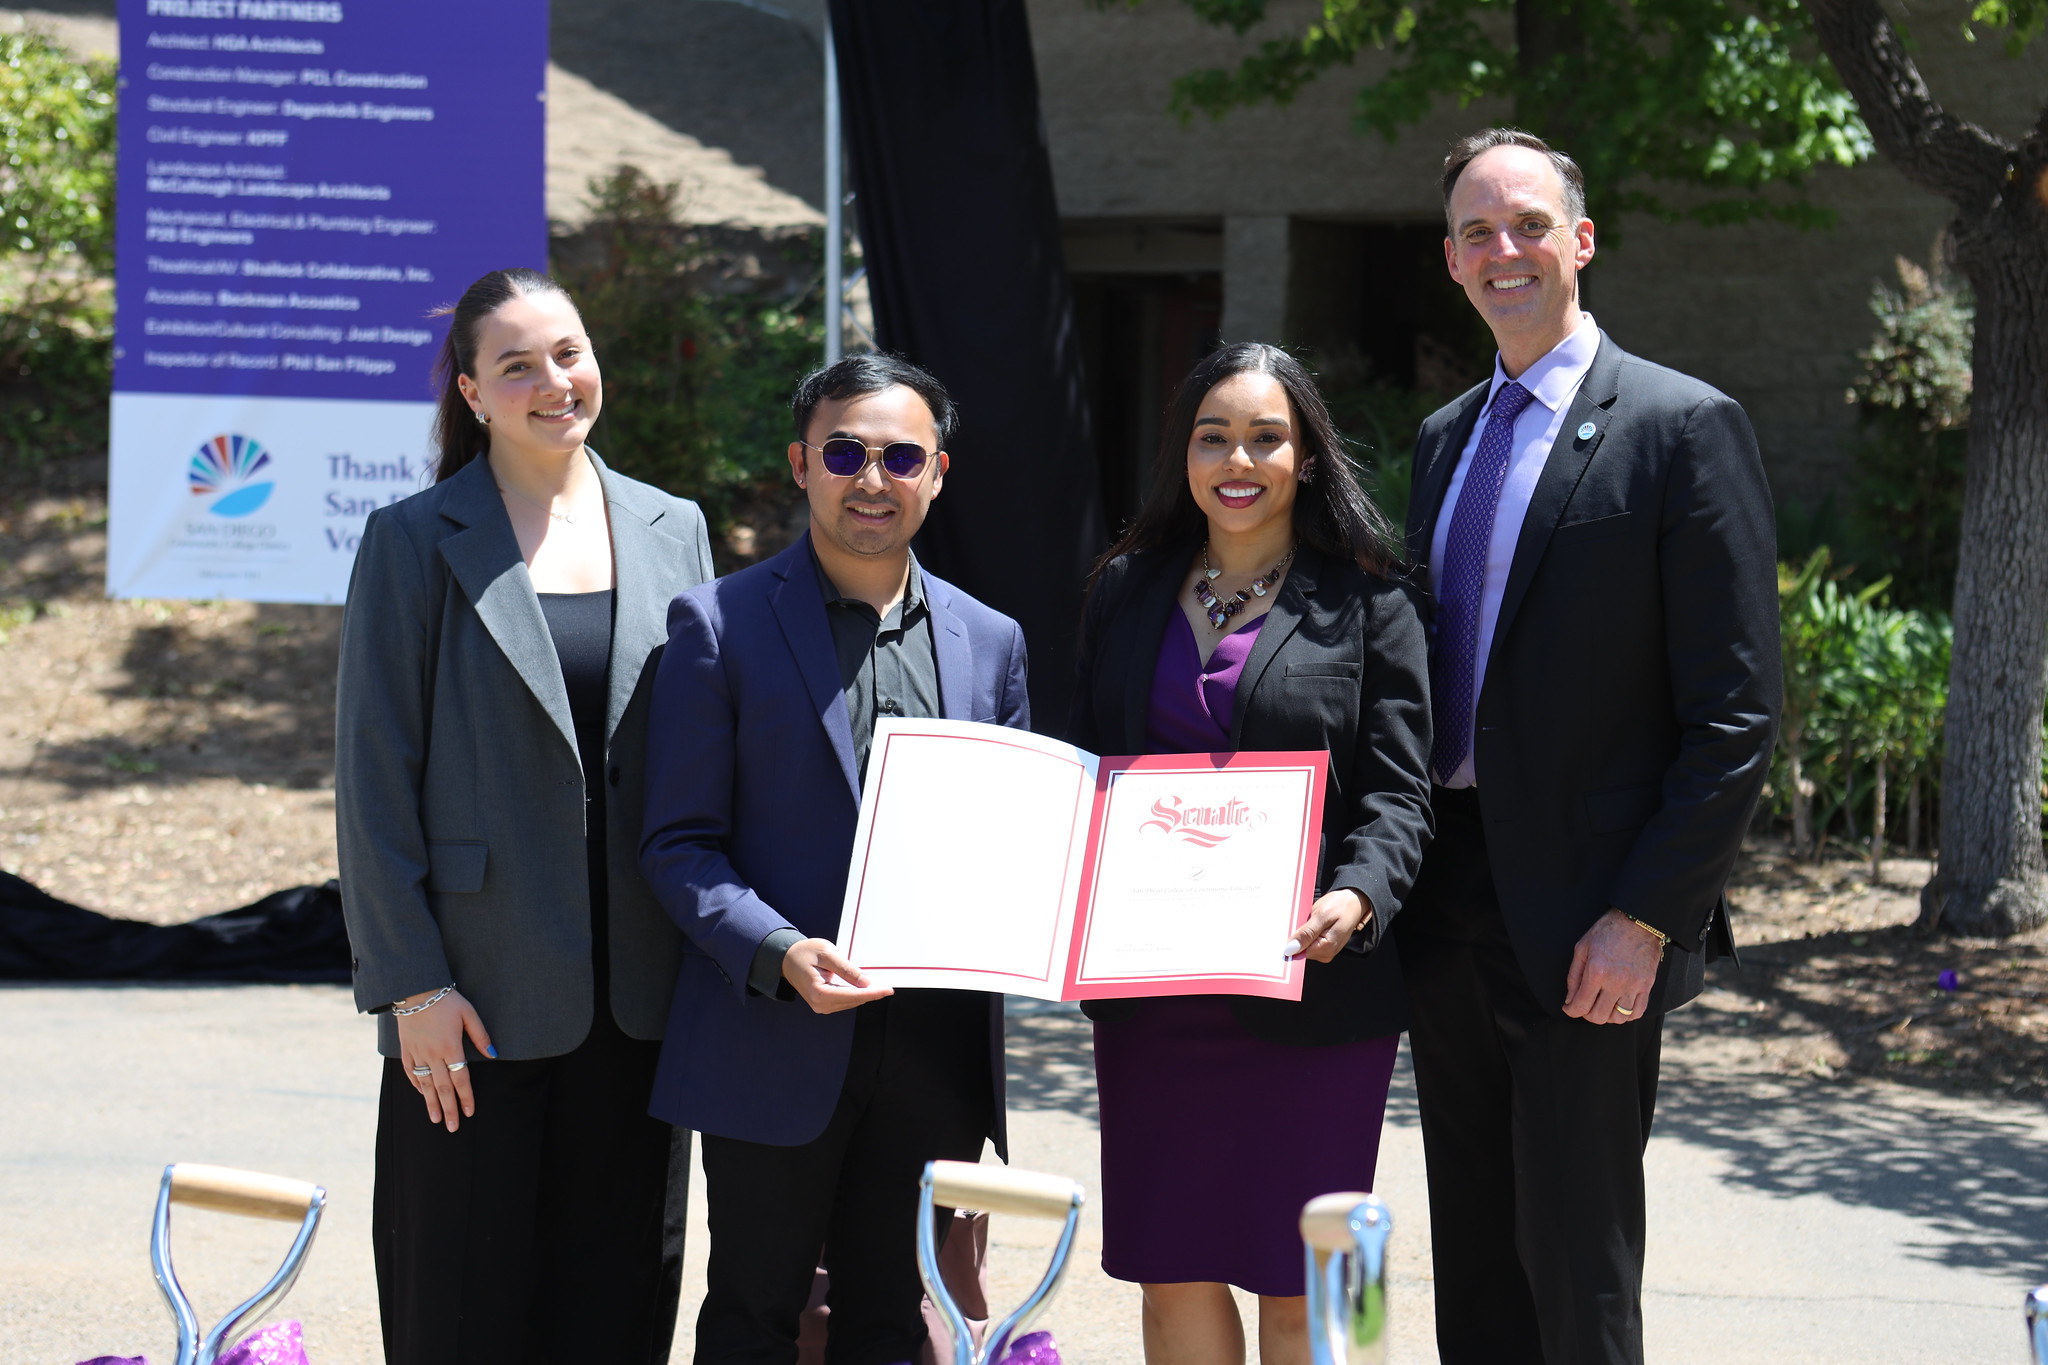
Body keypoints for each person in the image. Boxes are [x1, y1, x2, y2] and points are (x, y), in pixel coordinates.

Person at [1395, 128, 1781, 1365]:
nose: (1501, 250)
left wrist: (1648, 915)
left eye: (1526, 224)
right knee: (1474, 1258)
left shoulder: (1680, 425)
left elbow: (1735, 710)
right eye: (1474, 231)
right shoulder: (1443, 438)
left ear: (1581, 239)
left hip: (1587, 918)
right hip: (1444, 898)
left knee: (1577, 1263)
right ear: (1449, 261)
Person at [335, 267, 715, 1363]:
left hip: (639, 1002)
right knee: (461, 1311)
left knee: (616, 1312)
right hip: (470, 1002)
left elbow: (703, 754)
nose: (554, 381)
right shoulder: (412, 539)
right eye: (516, 366)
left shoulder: (674, 527)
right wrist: (410, 985)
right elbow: (372, 779)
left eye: (568, 353)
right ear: (471, 392)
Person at [638, 352, 1028, 1365]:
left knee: (892, 1327)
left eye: (900, 457)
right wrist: (776, 950)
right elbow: (677, 842)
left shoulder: (992, 642)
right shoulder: (717, 624)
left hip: (935, 1051)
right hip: (771, 1032)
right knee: (752, 1318)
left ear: (937, 472)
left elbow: (1015, 840)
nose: (872, 479)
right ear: (800, 464)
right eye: (845, 453)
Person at [1069, 342, 1434, 1365]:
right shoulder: (1123, 590)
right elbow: (1082, 769)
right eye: (1212, 437)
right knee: (1171, 1264)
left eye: (1266, 437)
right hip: (1153, 993)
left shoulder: (1373, 603)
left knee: (1307, 1275)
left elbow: (1399, 797)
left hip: (1312, 989)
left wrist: (1358, 897)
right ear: (1182, 455)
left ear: (1306, 457)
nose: (1238, 460)